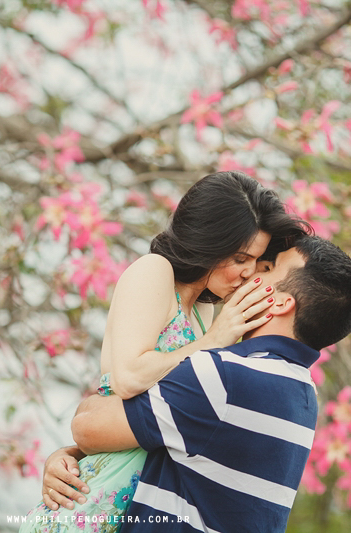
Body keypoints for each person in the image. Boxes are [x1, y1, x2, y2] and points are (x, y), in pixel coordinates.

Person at [20, 171, 309, 532]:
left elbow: (168, 407)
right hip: (97, 498)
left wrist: (71, 452)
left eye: (255, 261)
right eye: (239, 258)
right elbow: (128, 379)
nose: (247, 272)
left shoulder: (204, 311)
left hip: (145, 497)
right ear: (208, 241)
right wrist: (213, 341)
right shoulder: (153, 272)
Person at [69, 236, 351, 532]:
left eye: (267, 269)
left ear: (279, 303)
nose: (251, 272)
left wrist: (74, 445)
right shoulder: (304, 394)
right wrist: (71, 457)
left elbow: (88, 426)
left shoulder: (226, 376)